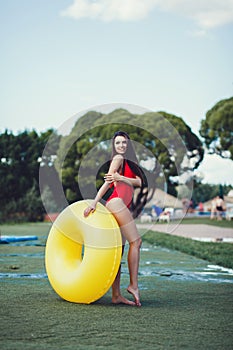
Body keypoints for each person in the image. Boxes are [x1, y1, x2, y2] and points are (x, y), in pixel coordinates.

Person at [83, 131, 144, 306]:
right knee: (137, 242)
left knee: (120, 250)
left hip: (122, 206)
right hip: (116, 203)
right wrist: (94, 202)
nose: (121, 146)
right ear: (114, 146)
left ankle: (116, 295)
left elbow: (139, 182)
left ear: (128, 144)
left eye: (124, 143)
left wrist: (121, 177)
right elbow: (108, 182)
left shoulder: (130, 163)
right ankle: (133, 285)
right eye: (118, 143)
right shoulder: (118, 159)